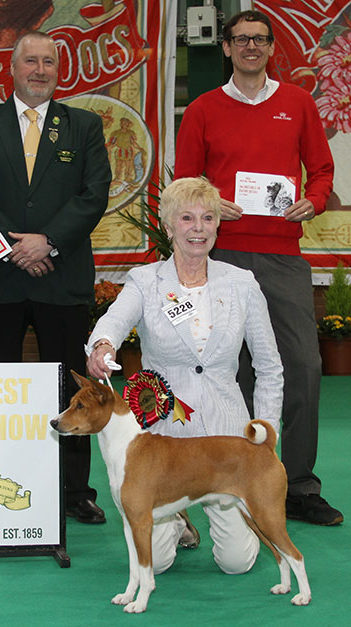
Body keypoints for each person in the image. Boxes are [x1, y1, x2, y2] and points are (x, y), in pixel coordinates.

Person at [175, 10, 343, 527]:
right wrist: (209, 203)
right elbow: (184, 179)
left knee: (304, 367)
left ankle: (298, 485)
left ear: (272, 48)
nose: (251, 47)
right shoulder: (203, 108)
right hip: (221, 257)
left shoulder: (296, 103)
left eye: (260, 40)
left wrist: (314, 201)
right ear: (225, 48)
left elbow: (321, 170)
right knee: (233, 370)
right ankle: (237, 480)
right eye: (241, 39)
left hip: (282, 255)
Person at [87, 176, 283, 574]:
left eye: (208, 218)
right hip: (165, 436)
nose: (198, 228)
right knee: (155, 564)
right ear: (168, 224)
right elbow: (113, 321)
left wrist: (267, 435)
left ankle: (199, 511)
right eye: (187, 218)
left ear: (217, 225)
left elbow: (269, 366)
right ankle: (177, 517)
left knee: (237, 563)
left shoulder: (241, 283)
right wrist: (102, 346)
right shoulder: (145, 281)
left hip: (226, 437)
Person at [0, 31, 112, 524]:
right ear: (13, 67)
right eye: (31, 61)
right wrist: (14, 246)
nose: (40, 70)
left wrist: (46, 241)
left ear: (58, 70)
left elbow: (93, 193)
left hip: (60, 277)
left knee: (73, 388)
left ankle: (75, 492)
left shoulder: (83, 125)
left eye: (49, 62)